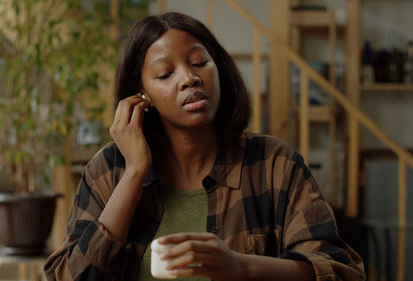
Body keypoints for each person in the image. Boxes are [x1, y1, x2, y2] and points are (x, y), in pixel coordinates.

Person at [44, 12, 365, 281]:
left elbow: (341, 270)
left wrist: (243, 266)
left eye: (199, 63)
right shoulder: (108, 169)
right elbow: (69, 276)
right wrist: (134, 173)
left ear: (219, 71)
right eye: (165, 73)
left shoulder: (273, 163)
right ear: (142, 96)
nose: (189, 78)